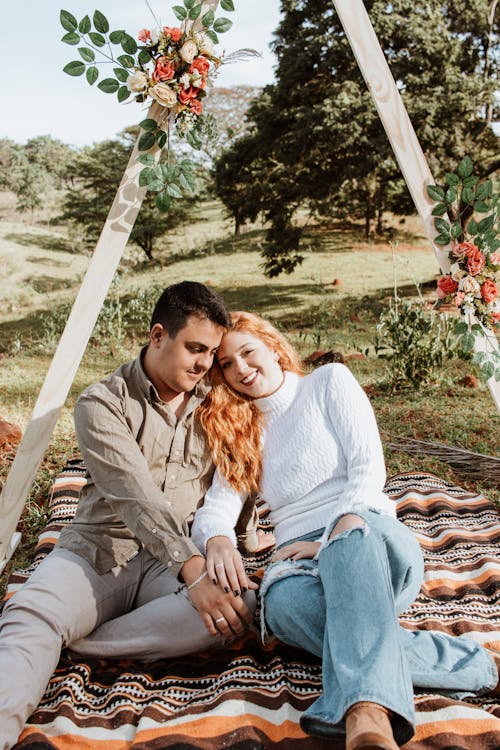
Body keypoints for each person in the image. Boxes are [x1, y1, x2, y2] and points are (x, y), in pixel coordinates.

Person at [191, 311, 500, 750]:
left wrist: (324, 540)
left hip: (365, 531)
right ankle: (479, 669)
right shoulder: (242, 428)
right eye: (226, 364)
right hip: (300, 562)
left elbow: (367, 468)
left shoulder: (328, 382)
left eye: (247, 352)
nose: (240, 368)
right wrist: (217, 538)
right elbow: (217, 507)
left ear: (274, 347)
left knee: (344, 541)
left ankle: (364, 713)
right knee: (281, 608)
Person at [0, 282, 256, 750]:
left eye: (210, 353)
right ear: (159, 335)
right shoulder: (102, 403)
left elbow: (242, 465)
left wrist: (230, 542)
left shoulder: (216, 400)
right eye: (194, 348)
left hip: (174, 561)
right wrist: (195, 571)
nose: (203, 364)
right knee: (31, 613)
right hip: (102, 551)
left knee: (237, 609)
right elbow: (135, 497)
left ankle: (85, 641)